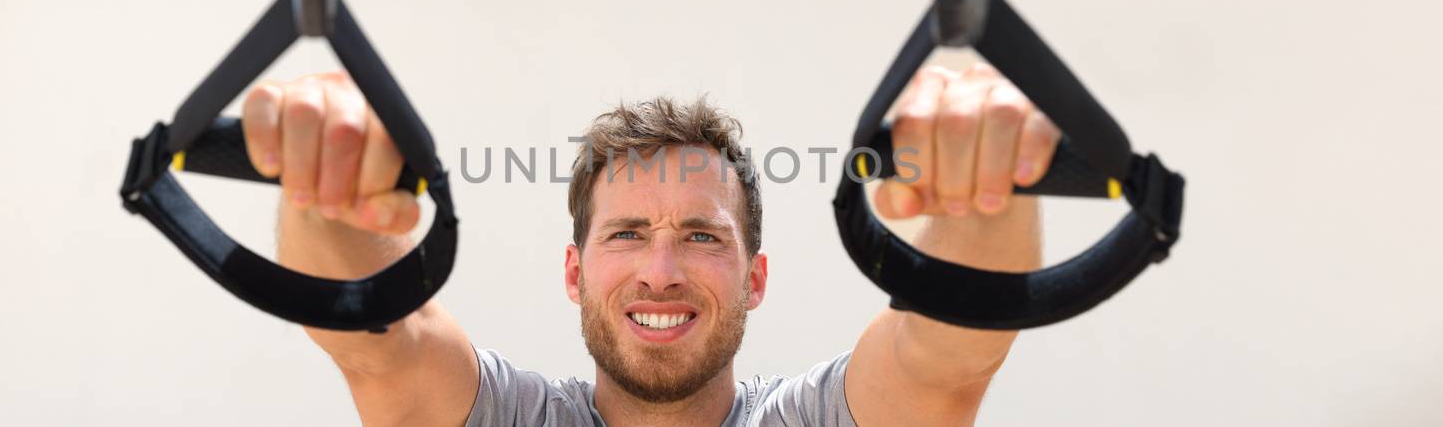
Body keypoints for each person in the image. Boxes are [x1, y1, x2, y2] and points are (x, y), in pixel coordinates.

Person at [237, 62, 1058, 426]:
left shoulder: (814, 418)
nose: (660, 272)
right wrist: (325, 183)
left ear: (754, 277)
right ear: (574, 270)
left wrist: (988, 182)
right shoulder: (506, 417)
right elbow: (378, 336)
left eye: (702, 235)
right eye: (627, 233)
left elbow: (947, 353)